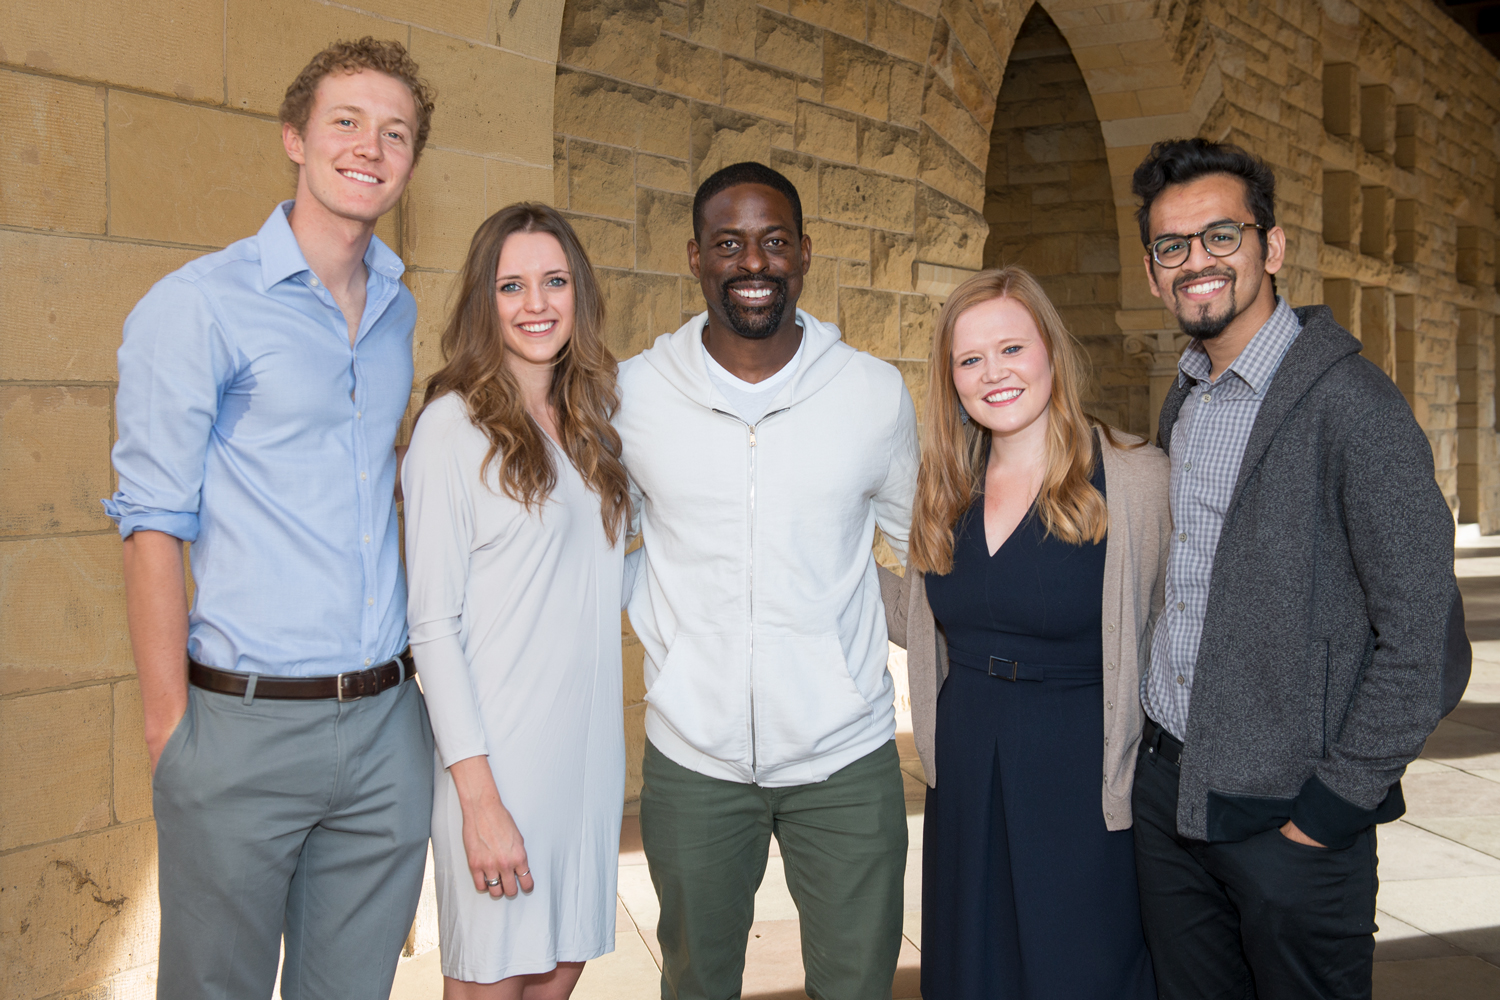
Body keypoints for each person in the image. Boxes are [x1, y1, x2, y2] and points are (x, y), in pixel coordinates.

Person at [104, 38, 437, 1000]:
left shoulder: (398, 314)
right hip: (240, 729)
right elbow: (152, 525)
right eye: (346, 121)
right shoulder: (196, 307)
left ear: (412, 160)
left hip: (385, 730)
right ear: (294, 137)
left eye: (395, 132)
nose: (369, 146)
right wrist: (174, 737)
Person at [1129, 137, 1464, 1000]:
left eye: (1221, 236)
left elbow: (1427, 639)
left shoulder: (1355, 406)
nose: (1196, 262)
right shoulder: (1187, 397)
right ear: (1152, 270)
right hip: (1172, 798)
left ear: (1271, 248)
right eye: (1173, 246)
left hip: (1291, 820)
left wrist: (1332, 809)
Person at [614, 161, 919, 1000]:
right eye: (730, 243)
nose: (754, 262)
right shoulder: (636, 394)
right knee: (697, 983)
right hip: (695, 756)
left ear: (805, 253)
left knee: (857, 986)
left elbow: (925, 550)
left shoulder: (870, 393)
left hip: (846, 754)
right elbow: (606, 547)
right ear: (696, 257)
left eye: (774, 241)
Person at [879, 267, 1166, 999]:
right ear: (951, 378)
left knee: (1083, 967)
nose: (993, 374)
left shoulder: (1136, 477)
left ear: (1050, 352)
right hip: (968, 758)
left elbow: (1178, 620)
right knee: (977, 968)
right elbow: (922, 615)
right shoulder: (946, 485)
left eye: (1012, 348)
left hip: (1083, 765)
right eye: (970, 359)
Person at [402, 203, 630, 999]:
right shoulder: (451, 429)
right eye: (512, 286)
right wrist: (479, 801)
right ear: (483, 303)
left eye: (554, 281)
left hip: (589, 761)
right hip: (501, 764)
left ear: (580, 294)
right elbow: (430, 627)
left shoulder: (595, 430)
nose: (537, 304)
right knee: (492, 985)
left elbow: (598, 586)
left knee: (558, 974)